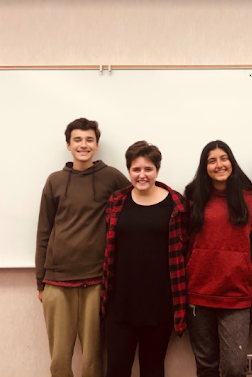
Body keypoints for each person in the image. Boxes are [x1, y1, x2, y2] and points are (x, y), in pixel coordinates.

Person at [35, 118, 129, 377]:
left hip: (96, 281)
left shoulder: (112, 177)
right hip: (56, 282)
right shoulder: (54, 180)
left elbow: (139, 199)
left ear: (97, 145)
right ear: (68, 145)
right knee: (59, 360)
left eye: (89, 140)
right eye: (77, 139)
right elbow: (44, 230)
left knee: (92, 360)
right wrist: (40, 281)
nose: (83, 145)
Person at [100, 141, 187, 377]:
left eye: (148, 169)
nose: (142, 175)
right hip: (120, 305)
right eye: (136, 169)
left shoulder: (176, 204)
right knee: (117, 368)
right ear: (128, 170)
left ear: (157, 170)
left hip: (160, 306)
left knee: (153, 368)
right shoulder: (116, 201)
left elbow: (185, 252)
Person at [184, 140, 252, 377]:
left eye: (223, 158)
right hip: (198, 289)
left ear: (231, 162)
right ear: (204, 166)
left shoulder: (249, 197)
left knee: (234, 368)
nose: (219, 165)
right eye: (212, 160)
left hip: (236, 292)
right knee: (206, 365)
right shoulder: (192, 195)